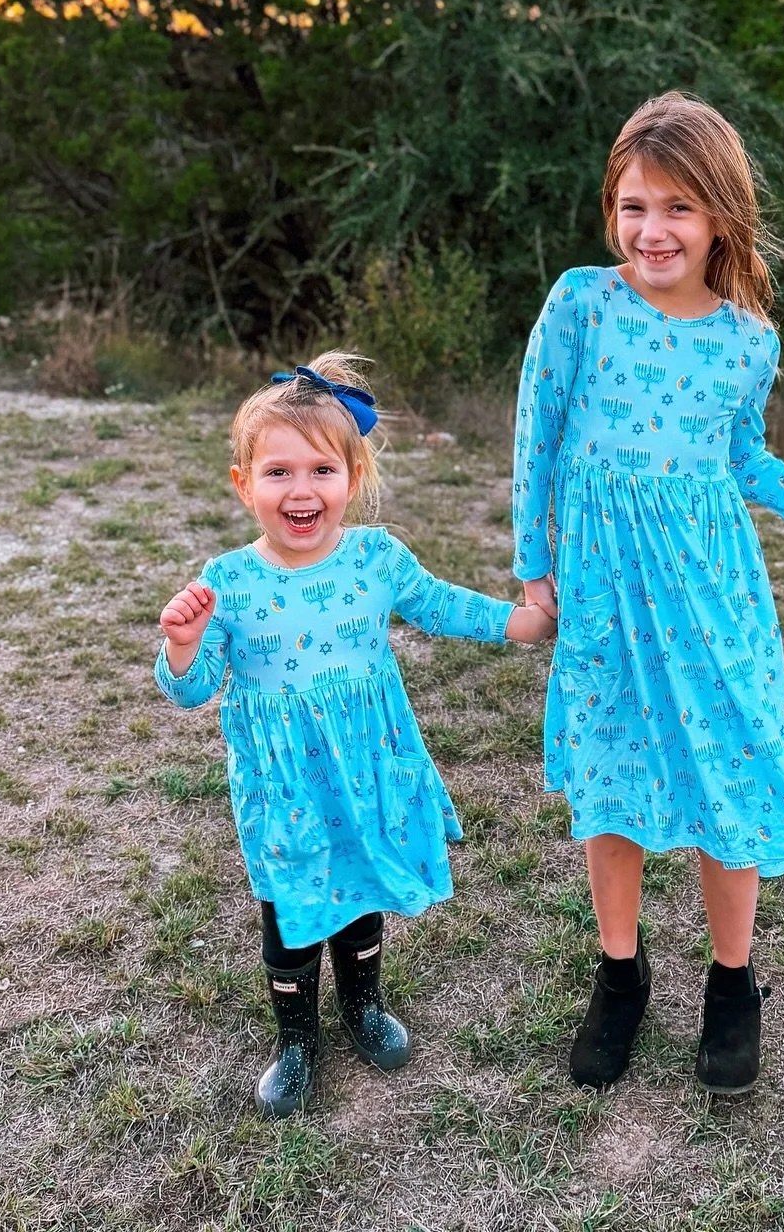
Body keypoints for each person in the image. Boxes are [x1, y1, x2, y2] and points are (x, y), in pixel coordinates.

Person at [512, 93, 784, 1095]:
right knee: (614, 779)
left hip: (712, 589)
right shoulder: (581, 305)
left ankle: (731, 984)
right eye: (634, 206)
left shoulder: (745, 338)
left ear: (720, 213)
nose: (653, 229)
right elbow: (536, 436)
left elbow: (741, 459)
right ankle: (620, 973)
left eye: (678, 208)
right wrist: (532, 564)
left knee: (730, 773)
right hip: (602, 589)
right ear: (611, 211)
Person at [156, 353, 555, 1118]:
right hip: (283, 785)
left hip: (367, 765)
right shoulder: (228, 580)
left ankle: (363, 1006)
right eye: (277, 473)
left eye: (321, 470)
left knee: (361, 891)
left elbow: (439, 606)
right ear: (244, 485)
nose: (301, 490)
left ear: (354, 473)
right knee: (291, 913)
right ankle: (297, 1039)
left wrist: (523, 622)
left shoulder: (376, 558)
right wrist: (182, 644)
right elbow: (193, 689)